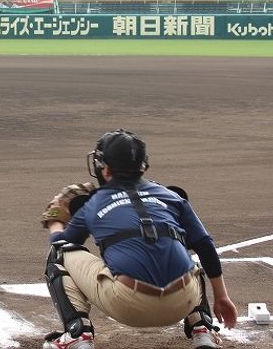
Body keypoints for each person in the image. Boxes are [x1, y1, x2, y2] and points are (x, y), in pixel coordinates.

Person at [41, 129, 238, 349]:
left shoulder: (93, 205)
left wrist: (55, 218)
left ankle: (78, 334)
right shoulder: (170, 196)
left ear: (105, 170)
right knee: (182, 249)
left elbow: (62, 242)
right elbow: (205, 245)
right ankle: (202, 329)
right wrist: (222, 297)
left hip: (129, 306)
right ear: (143, 166)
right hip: (184, 300)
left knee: (59, 254)